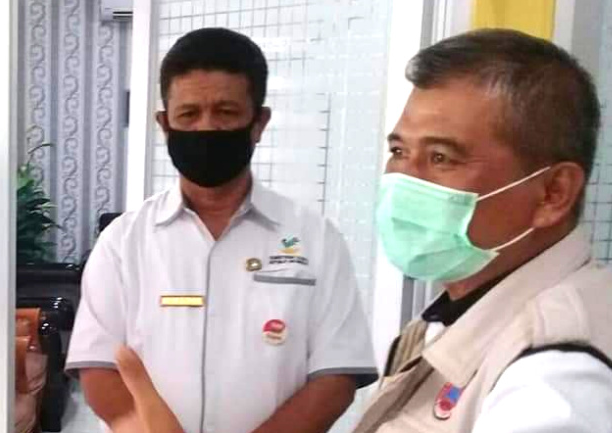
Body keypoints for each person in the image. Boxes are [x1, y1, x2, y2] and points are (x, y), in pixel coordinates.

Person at [65, 28, 378, 433]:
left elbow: (336, 377)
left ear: (258, 122)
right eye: (188, 114)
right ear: (165, 124)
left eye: (226, 112)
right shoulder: (123, 242)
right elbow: (98, 367)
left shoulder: (316, 239)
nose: (206, 128)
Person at [354, 29, 612, 432]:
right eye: (399, 152)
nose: (404, 180)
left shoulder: (552, 384)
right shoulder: (469, 307)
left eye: (441, 157)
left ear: (553, 193)